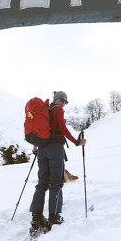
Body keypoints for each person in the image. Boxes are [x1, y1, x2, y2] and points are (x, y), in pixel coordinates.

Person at [29, 90, 87, 230]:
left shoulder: (45, 111)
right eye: (63, 100)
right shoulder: (57, 110)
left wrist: (36, 147)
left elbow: (38, 130)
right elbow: (63, 128)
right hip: (55, 149)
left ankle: (36, 217)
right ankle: (54, 217)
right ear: (57, 99)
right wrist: (77, 142)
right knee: (56, 182)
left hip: (42, 149)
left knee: (42, 182)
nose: (64, 104)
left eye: (66, 102)